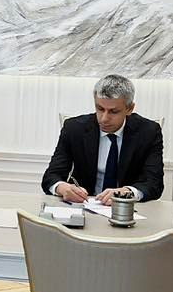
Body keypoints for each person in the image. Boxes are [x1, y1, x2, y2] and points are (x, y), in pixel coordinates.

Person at [43, 73, 165, 205]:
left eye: (113, 111)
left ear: (129, 109)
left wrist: (126, 193)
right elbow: (51, 176)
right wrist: (62, 188)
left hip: (126, 209)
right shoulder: (74, 128)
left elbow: (154, 183)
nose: (104, 118)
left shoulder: (149, 132)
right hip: (83, 205)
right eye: (100, 109)